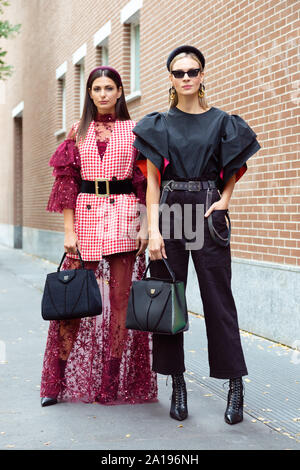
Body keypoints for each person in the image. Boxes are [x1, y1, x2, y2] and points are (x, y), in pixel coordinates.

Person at [132, 45, 261, 424]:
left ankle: (235, 385)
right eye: (179, 72)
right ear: (170, 78)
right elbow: (152, 182)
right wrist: (152, 229)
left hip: (207, 209)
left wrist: (224, 200)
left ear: (203, 74)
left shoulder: (223, 123)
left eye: (192, 71)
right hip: (170, 209)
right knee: (169, 300)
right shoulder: (158, 124)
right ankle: (178, 383)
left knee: (219, 301)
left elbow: (235, 167)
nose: (186, 78)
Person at [40, 66, 157, 407]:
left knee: (120, 303)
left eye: (109, 87)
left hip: (124, 215)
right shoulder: (78, 132)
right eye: (97, 88)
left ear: (120, 92)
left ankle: (110, 382)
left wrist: (146, 226)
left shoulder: (136, 131)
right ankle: (56, 381)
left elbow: (143, 183)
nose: (103, 94)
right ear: (89, 94)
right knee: (72, 301)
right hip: (87, 214)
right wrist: (68, 230)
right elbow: (66, 183)